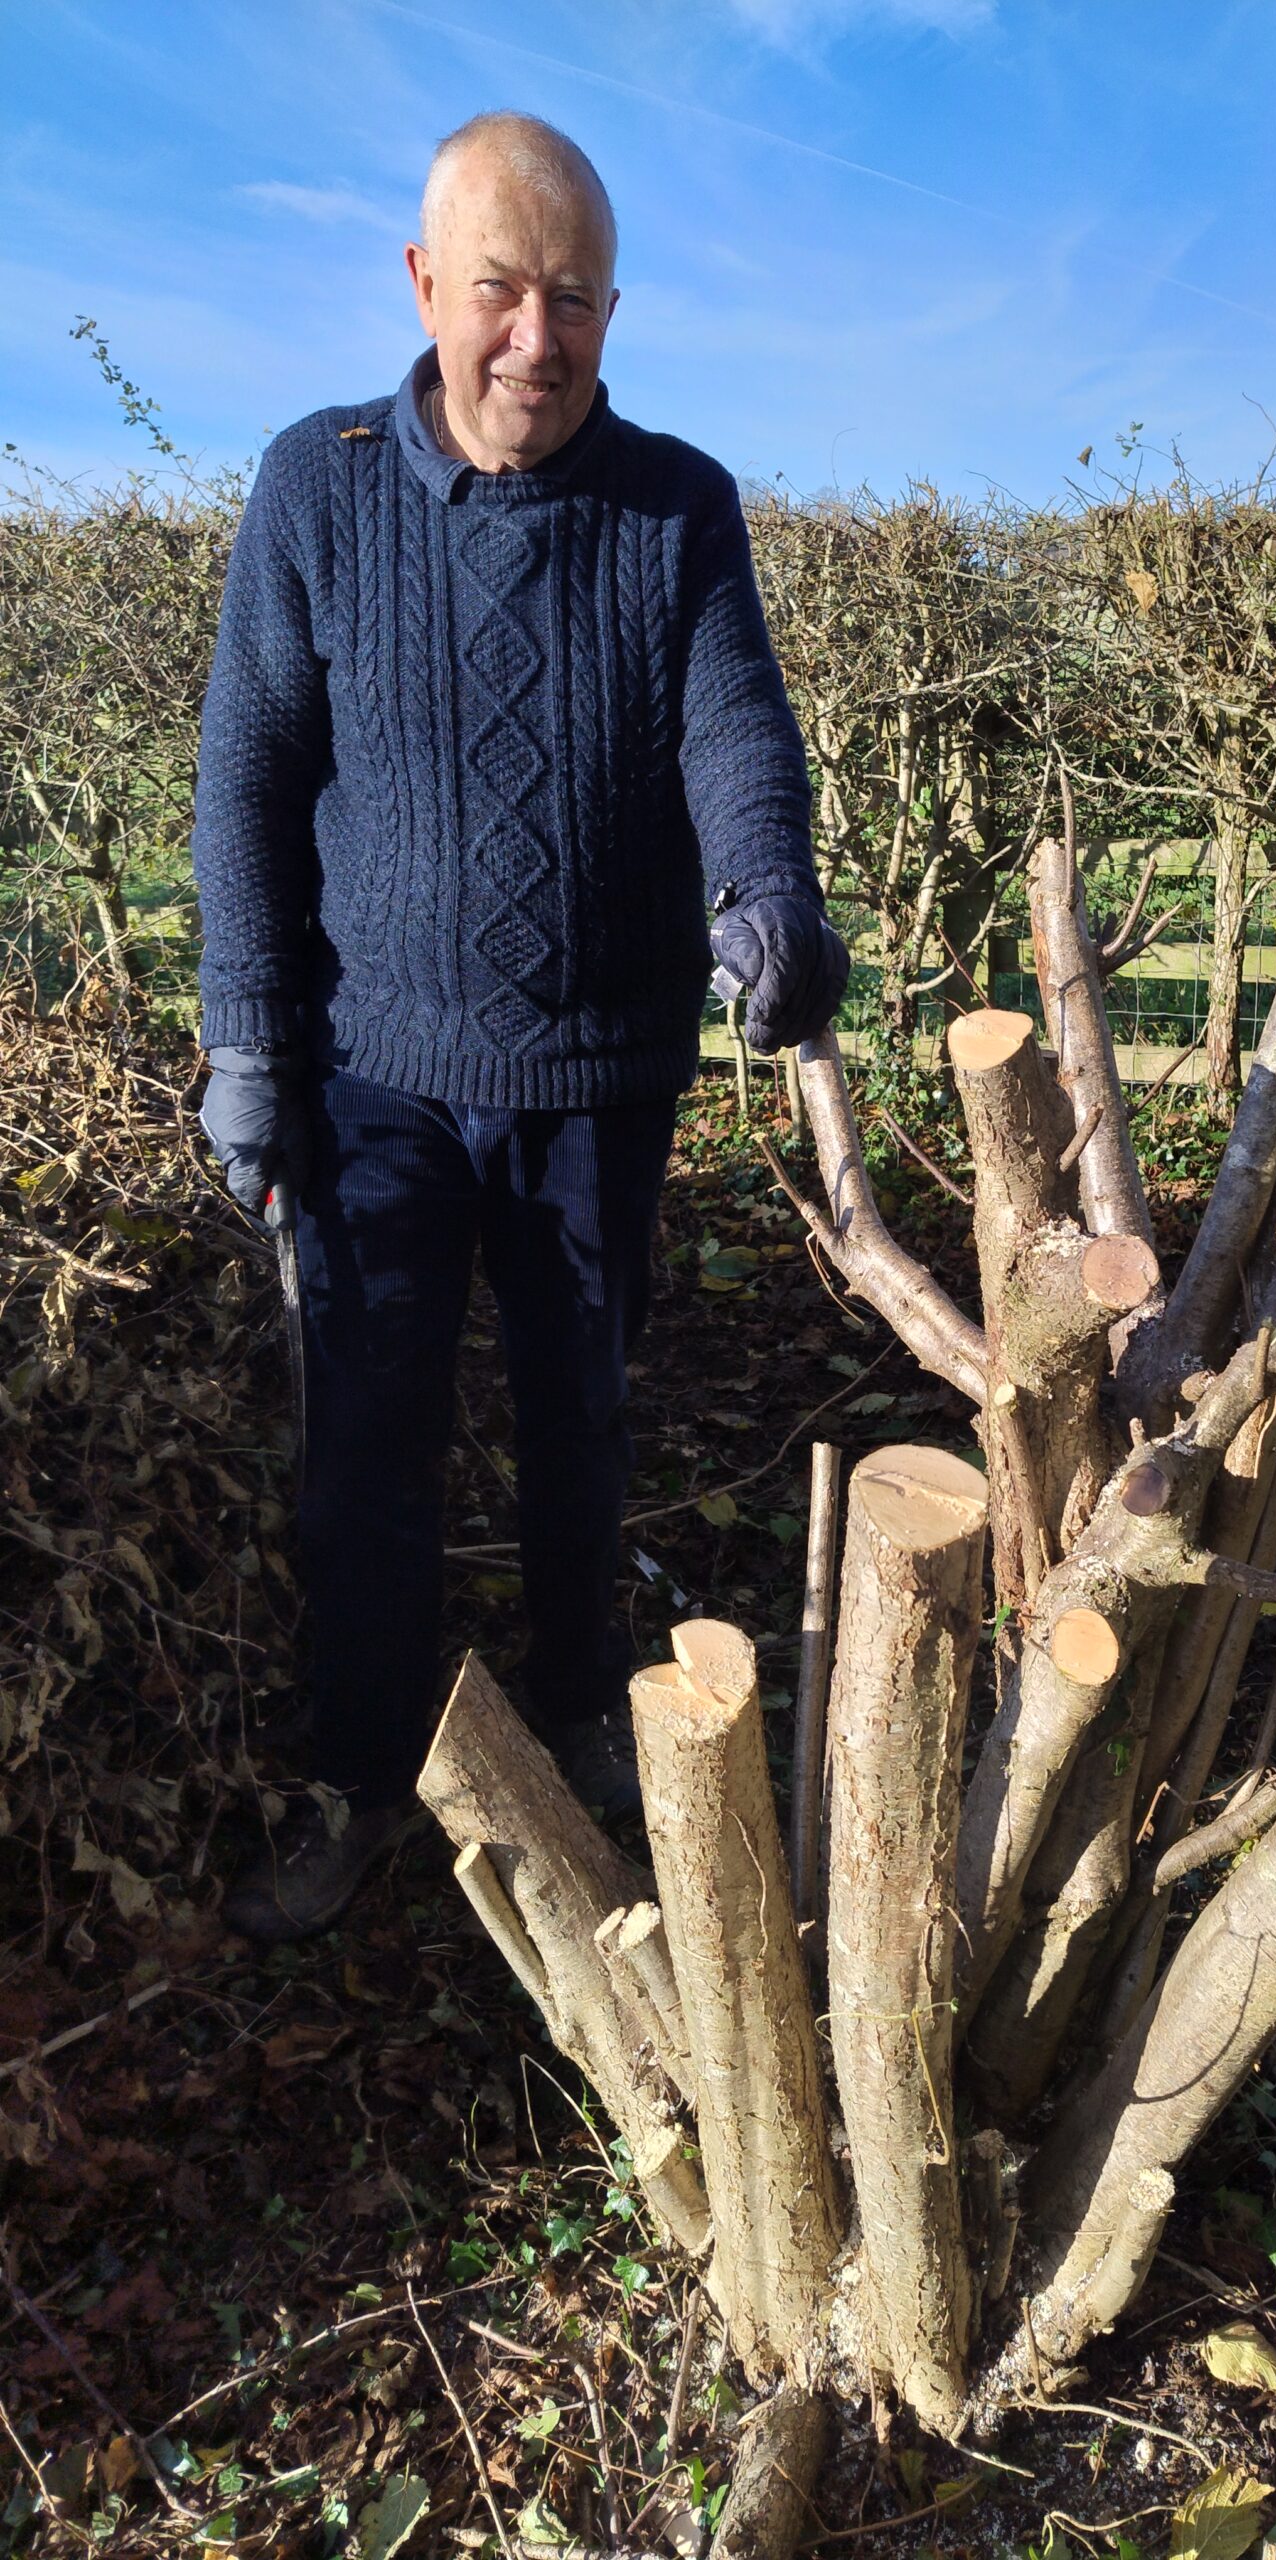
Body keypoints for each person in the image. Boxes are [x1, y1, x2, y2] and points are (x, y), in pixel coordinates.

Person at [193, 111, 847, 1941]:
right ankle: (359, 1770)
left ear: (614, 309)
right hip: (373, 1075)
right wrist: (251, 1042)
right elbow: (247, 776)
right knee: (368, 1446)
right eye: (499, 291)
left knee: (583, 1426)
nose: (534, 341)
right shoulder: (313, 485)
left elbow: (738, 738)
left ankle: (583, 1730)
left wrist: (768, 898)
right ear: (424, 285)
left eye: (572, 300)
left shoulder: (676, 503)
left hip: (595, 1073)